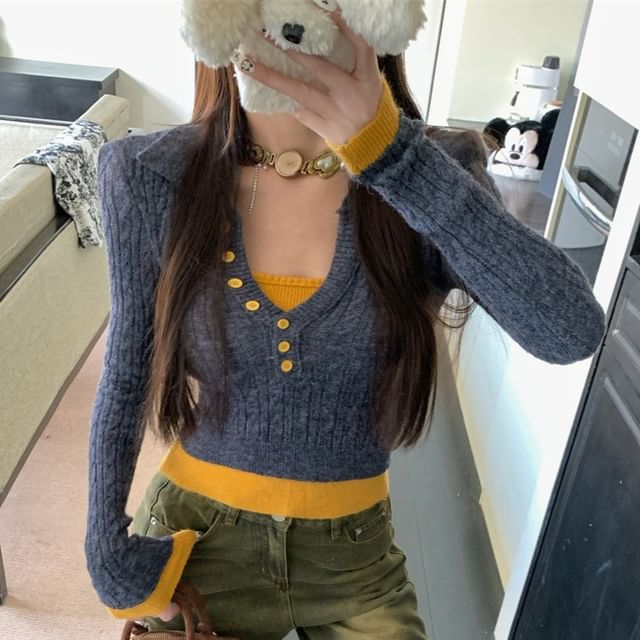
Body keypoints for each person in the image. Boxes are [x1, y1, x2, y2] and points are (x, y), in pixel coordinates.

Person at [84, 10, 605, 640]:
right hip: (197, 546)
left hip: (355, 559)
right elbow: (125, 376)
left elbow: (569, 331)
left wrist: (391, 155)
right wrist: (108, 555)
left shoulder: (431, 168)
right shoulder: (148, 173)